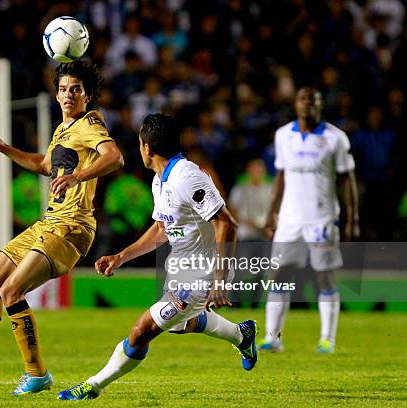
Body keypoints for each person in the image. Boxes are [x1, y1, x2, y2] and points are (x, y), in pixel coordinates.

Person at [0, 60, 124, 395]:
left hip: (71, 226)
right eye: (65, 89)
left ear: (88, 96)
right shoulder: (62, 130)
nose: (69, 95)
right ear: (56, 94)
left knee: (11, 290)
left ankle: (36, 373)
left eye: (76, 90)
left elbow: (114, 157)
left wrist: (78, 176)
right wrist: (3, 147)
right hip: (50, 222)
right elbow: (44, 164)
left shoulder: (89, 123)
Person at [57, 114, 257, 400]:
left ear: (147, 148)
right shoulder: (159, 181)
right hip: (180, 269)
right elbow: (161, 230)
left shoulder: (188, 177)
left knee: (142, 330)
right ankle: (241, 335)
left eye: (139, 143)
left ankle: (93, 385)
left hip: (204, 273)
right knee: (181, 323)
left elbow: (226, 224)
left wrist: (220, 280)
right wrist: (121, 256)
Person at [260, 87, 359, 353]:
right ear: (295, 104)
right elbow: (281, 177)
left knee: (323, 278)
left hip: (322, 219)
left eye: (312, 101)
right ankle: (273, 337)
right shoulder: (283, 136)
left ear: (320, 106)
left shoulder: (335, 138)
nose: (307, 105)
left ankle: (327, 338)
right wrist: (272, 213)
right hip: (290, 220)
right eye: (303, 100)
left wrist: (353, 218)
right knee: (279, 275)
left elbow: (347, 179)